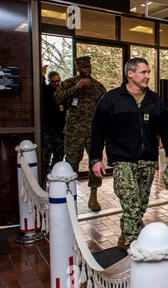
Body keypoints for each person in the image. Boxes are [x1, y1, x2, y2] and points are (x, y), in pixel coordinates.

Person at [90, 57, 168, 250]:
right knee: (131, 203)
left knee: (141, 203)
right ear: (130, 74)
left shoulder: (155, 100)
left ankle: (125, 234)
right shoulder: (111, 99)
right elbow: (97, 131)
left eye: (148, 72)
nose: (147, 76)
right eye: (143, 72)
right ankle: (132, 245)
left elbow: (165, 129)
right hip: (123, 161)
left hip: (147, 161)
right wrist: (96, 159)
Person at [54, 56, 106, 211]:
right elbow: (57, 98)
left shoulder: (98, 87)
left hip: (93, 133)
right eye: (84, 68)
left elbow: (105, 109)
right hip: (74, 133)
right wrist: (76, 87)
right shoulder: (68, 83)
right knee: (71, 164)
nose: (87, 70)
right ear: (78, 69)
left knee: (95, 163)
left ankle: (93, 195)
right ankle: (68, 195)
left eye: (88, 67)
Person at [43, 71, 65, 173]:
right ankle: (46, 174)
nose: (56, 84)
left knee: (59, 153)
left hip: (61, 129)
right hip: (48, 128)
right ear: (49, 81)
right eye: (53, 82)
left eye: (57, 81)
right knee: (47, 153)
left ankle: (56, 172)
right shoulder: (46, 91)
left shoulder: (63, 91)